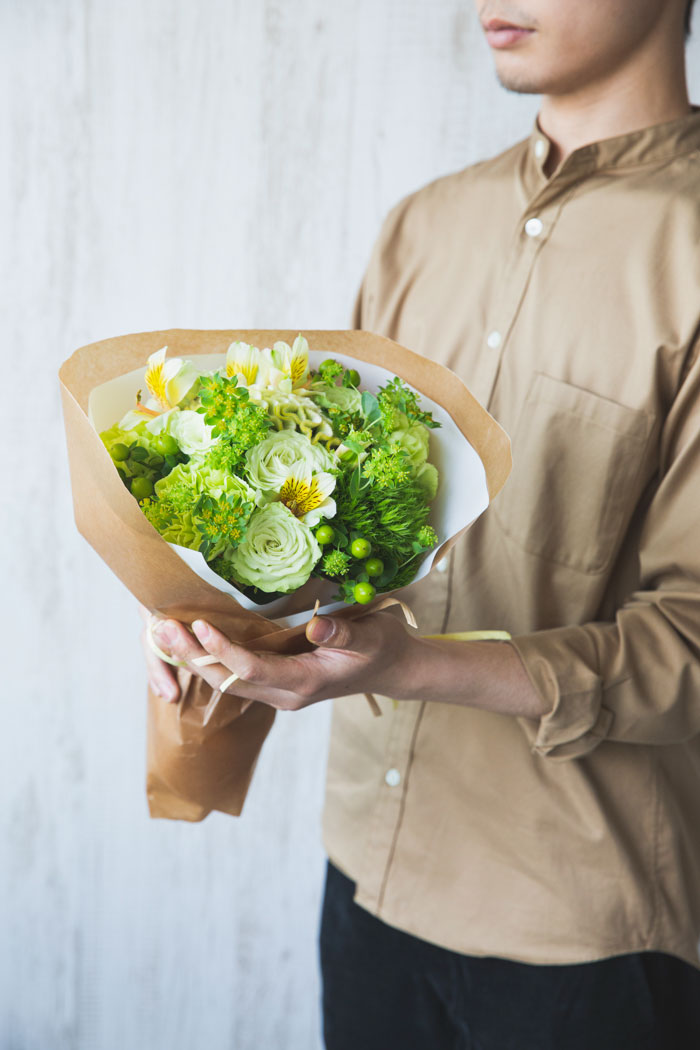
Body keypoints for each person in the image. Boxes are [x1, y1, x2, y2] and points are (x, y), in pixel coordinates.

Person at [142, 0, 700, 1045]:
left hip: (580, 938)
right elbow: (343, 549)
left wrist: (407, 665)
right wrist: (217, 616)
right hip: (363, 884)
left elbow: (692, 640)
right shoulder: (423, 225)